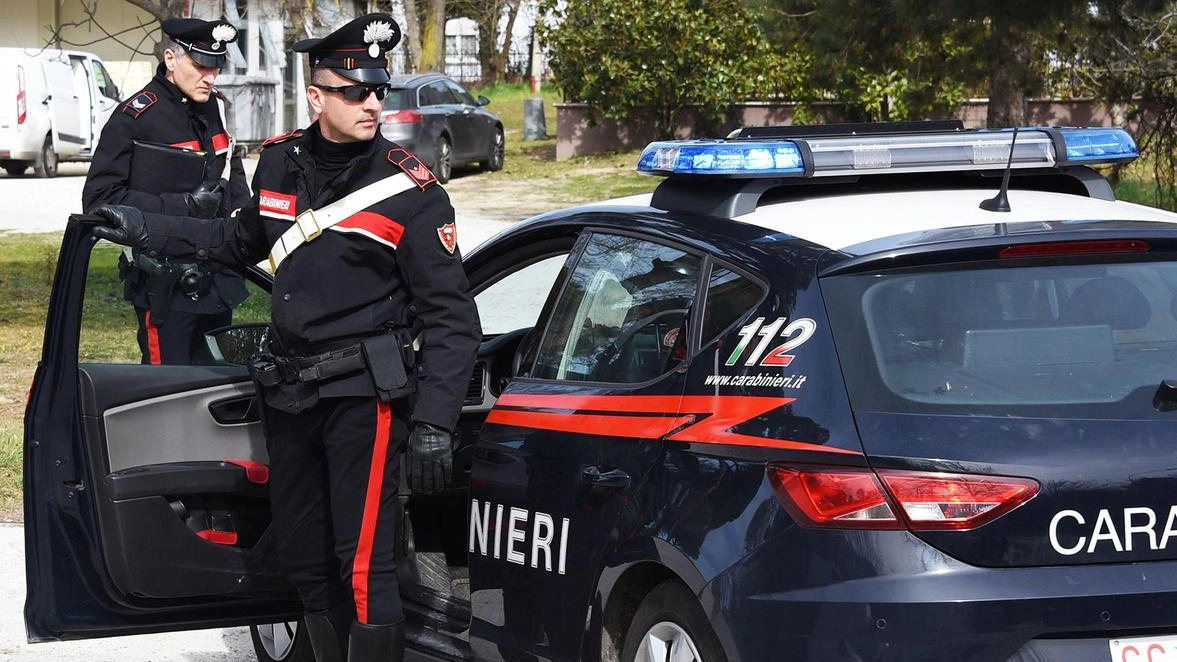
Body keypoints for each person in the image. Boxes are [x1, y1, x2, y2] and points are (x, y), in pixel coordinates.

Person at [91, 13, 481, 662]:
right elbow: (231, 240)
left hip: (364, 399)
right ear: (317, 94)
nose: (372, 103)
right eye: (354, 91)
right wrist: (142, 228)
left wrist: (436, 422)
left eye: (379, 90)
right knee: (303, 561)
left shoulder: (409, 192)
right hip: (289, 395)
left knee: (362, 569)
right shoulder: (279, 164)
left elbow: (451, 319)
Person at [83, 17, 250, 365]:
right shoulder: (135, 117)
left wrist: (244, 217)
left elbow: (228, 166)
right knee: (166, 396)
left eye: (216, 67)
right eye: (201, 65)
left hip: (216, 279)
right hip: (166, 287)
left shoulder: (211, 107)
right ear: (171, 59)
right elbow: (100, 201)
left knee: (213, 393)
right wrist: (183, 205)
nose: (210, 77)